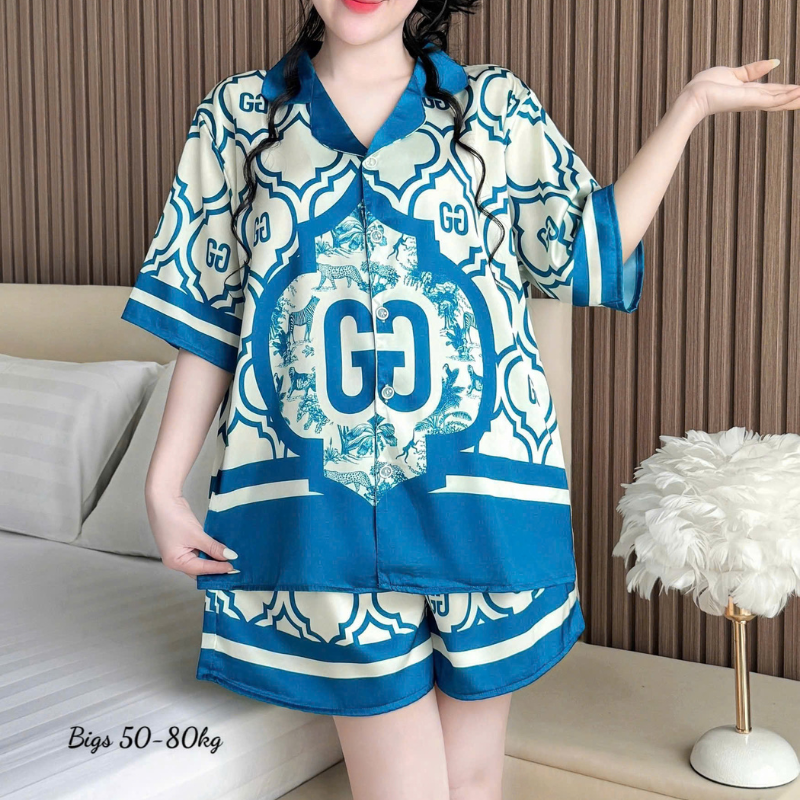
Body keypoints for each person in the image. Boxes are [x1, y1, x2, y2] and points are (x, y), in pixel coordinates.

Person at [121, 0, 800, 797]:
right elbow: (210, 318)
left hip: (484, 498)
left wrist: (690, 108)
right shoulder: (239, 117)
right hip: (321, 514)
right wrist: (162, 487)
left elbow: (586, 251)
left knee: (474, 782)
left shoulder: (493, 108)